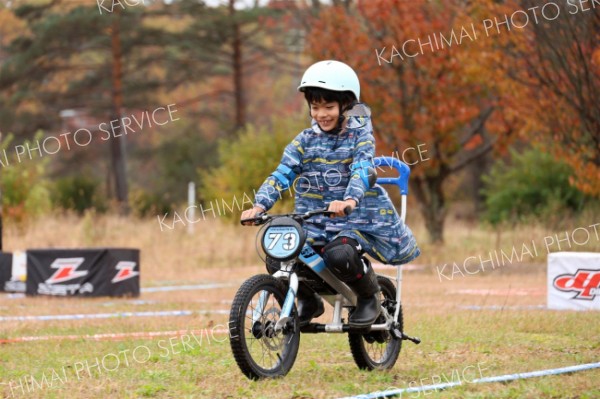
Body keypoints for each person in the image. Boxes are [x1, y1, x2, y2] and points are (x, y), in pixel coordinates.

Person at [241, 60, 420, 328]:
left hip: (355, 218)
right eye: (315, 107)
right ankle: (309, 300)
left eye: (328, 106)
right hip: (314, 219)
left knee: (340, 255)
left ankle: (369, 296)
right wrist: (259, 204)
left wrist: (349, 200)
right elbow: (282, 174)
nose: (321, 114)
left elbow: (362, 168)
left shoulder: (359, 136)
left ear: (346, 106)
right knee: (279, 252)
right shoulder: (303, 141)